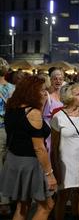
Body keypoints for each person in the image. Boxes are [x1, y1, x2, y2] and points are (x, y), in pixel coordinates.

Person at [0, 75, 57, 220]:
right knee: (47, 205)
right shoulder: (33, 113)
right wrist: (49, 174)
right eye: (42, 90)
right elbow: (39, 148)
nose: (45, 93)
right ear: (32, 91)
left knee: (22, 206)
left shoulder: (11, 108)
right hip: (30, 164)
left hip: (13, 160)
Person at [50, 83, 79, 220]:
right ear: (69, 96)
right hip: (65, 165)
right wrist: (56, 169)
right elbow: (54, 147)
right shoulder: (58, 117)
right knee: (62, 197)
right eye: (78, 94)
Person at [0, 58, 15, 215]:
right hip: (10, 129)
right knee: (8, 165)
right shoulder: (13, 88)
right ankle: (7, 199)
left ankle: (3, 201)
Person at [42, 68, 64, 153]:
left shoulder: (65, 96)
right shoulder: (46, 95)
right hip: (49, 132)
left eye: (60, 79)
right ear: (50, 80)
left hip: (61, 130)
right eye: (55, 79)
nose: (58, 81)